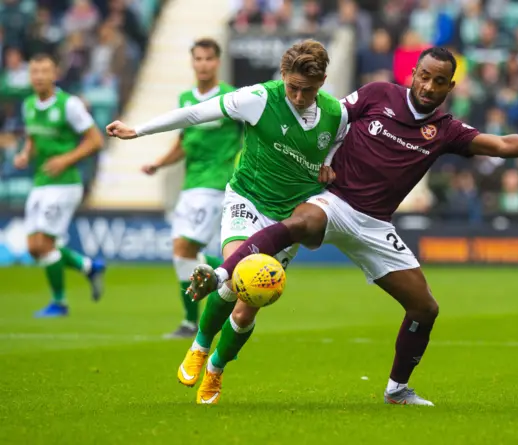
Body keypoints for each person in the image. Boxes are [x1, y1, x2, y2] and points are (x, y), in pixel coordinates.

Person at [189, 47, 518, 406]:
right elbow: (329, 119)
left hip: (375, 225)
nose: (429, 86)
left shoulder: (447, 130)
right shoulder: (377, 94)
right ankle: (222, 274)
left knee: (425, 307)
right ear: (412, 73)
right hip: (335, 202)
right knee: (301, 220)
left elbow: (501, 145)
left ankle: (398, 389)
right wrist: (322, 162)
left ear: (449, 86)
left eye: (439, 82)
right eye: (424, 76)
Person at [106, 39, 349, 404]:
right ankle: (201, 345)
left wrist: (330, 161)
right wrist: (137, 131)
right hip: (247, 198)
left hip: (289, 218)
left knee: (250, 302)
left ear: (323, 82)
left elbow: (338, 143)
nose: (299, 97)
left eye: (308, 90)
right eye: (293, 87)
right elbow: (194, 114)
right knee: (241, 276)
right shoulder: (258, 98)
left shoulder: (336, 114)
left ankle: (217, 368)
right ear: (283, 75)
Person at [140, 38, 243, 339]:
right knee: (181, 255)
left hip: (214, 183)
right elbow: (183, 143)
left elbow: (251, 134)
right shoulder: (186, 98)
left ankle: (235, 274)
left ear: (217, 62)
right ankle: (193, 317)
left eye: (209, 59)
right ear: (192, 62)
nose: (203, 64)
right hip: (190, 184)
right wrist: (159, 163)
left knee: (186, 249)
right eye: (198, 59)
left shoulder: (230, 98)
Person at [14, 53, 106, 318]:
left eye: (45, 71)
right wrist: (24, 154)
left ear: (55, 74)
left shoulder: (69, 105)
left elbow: (95, 141)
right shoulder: (29, 104)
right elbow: (32, 138)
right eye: (35, 72)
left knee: (45, 244)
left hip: (65, 184)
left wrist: (65, 159)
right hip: (41, 182)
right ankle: (88, 266)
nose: (39, 77)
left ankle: (59, 302)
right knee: (34, 248)